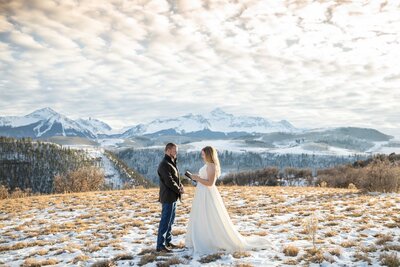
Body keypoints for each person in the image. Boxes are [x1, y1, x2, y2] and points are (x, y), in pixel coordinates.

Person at [185, 146, 272, 255]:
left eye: (203, 154)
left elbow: (210, 183)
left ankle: (209, 240)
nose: (202, 156)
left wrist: (197, 178)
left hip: (207, 194)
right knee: (202, 216)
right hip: (202, 194)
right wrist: (196, 178)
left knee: (210, 216)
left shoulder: (211, 166)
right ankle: (202, 237)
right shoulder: (208, 165)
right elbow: (205, 179)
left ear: (208, 154)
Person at [156, 143, 184, 252]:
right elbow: (169, 181)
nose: (176, 152)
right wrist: (179, 189)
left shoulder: (171, 162)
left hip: (173, 197)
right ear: (168, 150)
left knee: (170, 221)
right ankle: (160, 246)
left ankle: (167, 242)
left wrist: (180, 185)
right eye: (174, 150)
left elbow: (175, 178)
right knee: (165, 221)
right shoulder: (164, 164)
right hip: (167, 197)